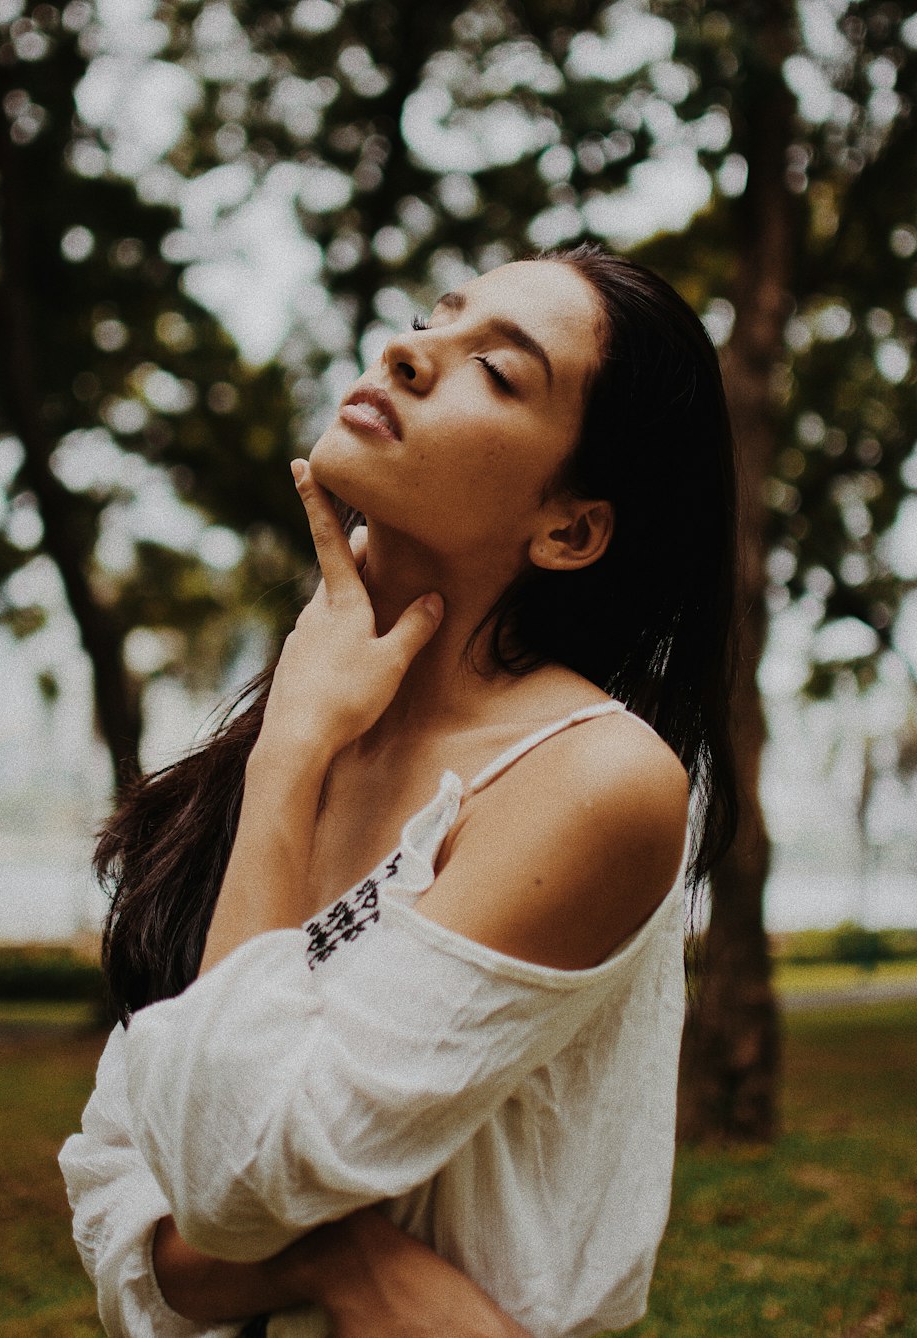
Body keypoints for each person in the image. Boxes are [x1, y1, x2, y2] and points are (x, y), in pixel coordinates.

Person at [60, 241, 737, 1338]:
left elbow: (224, 1190)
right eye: (435, 317)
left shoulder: (591, 780)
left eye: (499, 370)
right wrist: (346, 1253)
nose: (409, 351)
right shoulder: (313, 722)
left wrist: (288, 760)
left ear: (570, 529)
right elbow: (109, 1178)